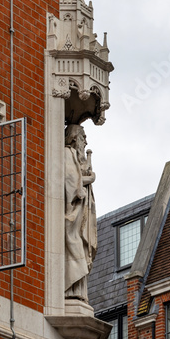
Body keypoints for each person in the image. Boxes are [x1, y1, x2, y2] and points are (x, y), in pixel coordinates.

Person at [63, 123, 97, 302]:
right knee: (74, 247)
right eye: (83, 137)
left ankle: (79, 292)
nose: (86, 141)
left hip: (80, 214)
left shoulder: (78, 158)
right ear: (74, 138)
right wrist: (88, 179)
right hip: (72, 213)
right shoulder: (67, 154)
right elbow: (69, 180)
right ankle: (69, 290)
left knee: (81, 251)